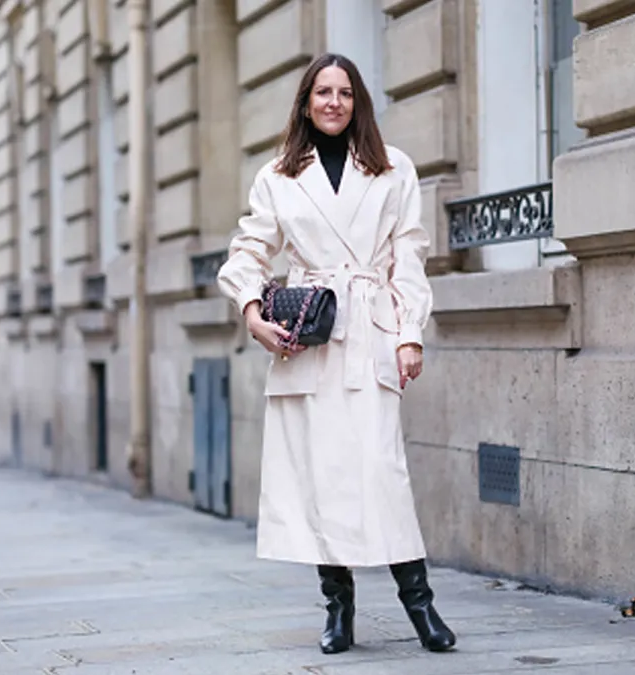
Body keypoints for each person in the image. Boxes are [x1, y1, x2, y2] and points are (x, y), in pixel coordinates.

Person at [214, 53, 456, 656]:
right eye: (322, 92)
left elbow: (409, 257)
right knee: (320, 479)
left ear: (358, 101)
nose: (333, 102)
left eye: (344, 93)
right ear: (305, 103)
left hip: (371, 334)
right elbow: (248, 252)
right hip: (311, 338)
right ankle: (338, 609)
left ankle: (420, 606)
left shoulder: (393, 167)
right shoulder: (277, 176)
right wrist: (252, 313)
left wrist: (409, 334)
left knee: (383, 473)